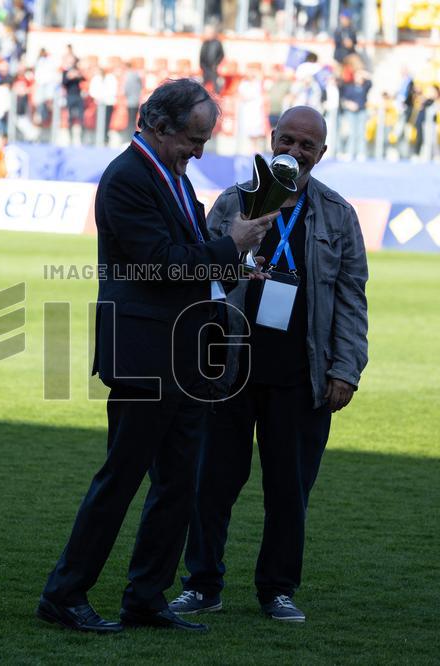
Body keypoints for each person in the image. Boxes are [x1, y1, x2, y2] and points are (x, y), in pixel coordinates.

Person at [37, 79, 278, 634]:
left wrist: (233, 267)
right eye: (193, 139)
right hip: (146, 354)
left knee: (178, 484)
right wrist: (232, 244)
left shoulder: (169, 174)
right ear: (158, 125)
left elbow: (187, 259)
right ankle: (64, 592)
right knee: (121, 479)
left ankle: (147, 596)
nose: (199, 151)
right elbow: (162, 264)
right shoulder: (126, 178)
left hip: (184, 354)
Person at [170, 105, 368, 623]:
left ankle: (278, 590)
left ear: (321, 155)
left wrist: (346, 367)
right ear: (271, 138)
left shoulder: (339, 214)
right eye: (288, 140)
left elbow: (351, 298)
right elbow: (197, 278)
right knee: (211, 485)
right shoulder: (233, 201)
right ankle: (202, 583)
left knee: (289, 492)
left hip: (301, 376)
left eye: (307, 145)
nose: (295, 151)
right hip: (227, 372)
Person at [199, 24, 225, 93]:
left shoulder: (217, 43)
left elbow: (221, 55)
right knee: (203, 86)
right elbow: (201, 56)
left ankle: (216, 99)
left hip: (214, 69)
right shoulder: (205, 43)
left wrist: (216, 64)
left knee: (216, 86)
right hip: (205, 68)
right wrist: (202, 65)